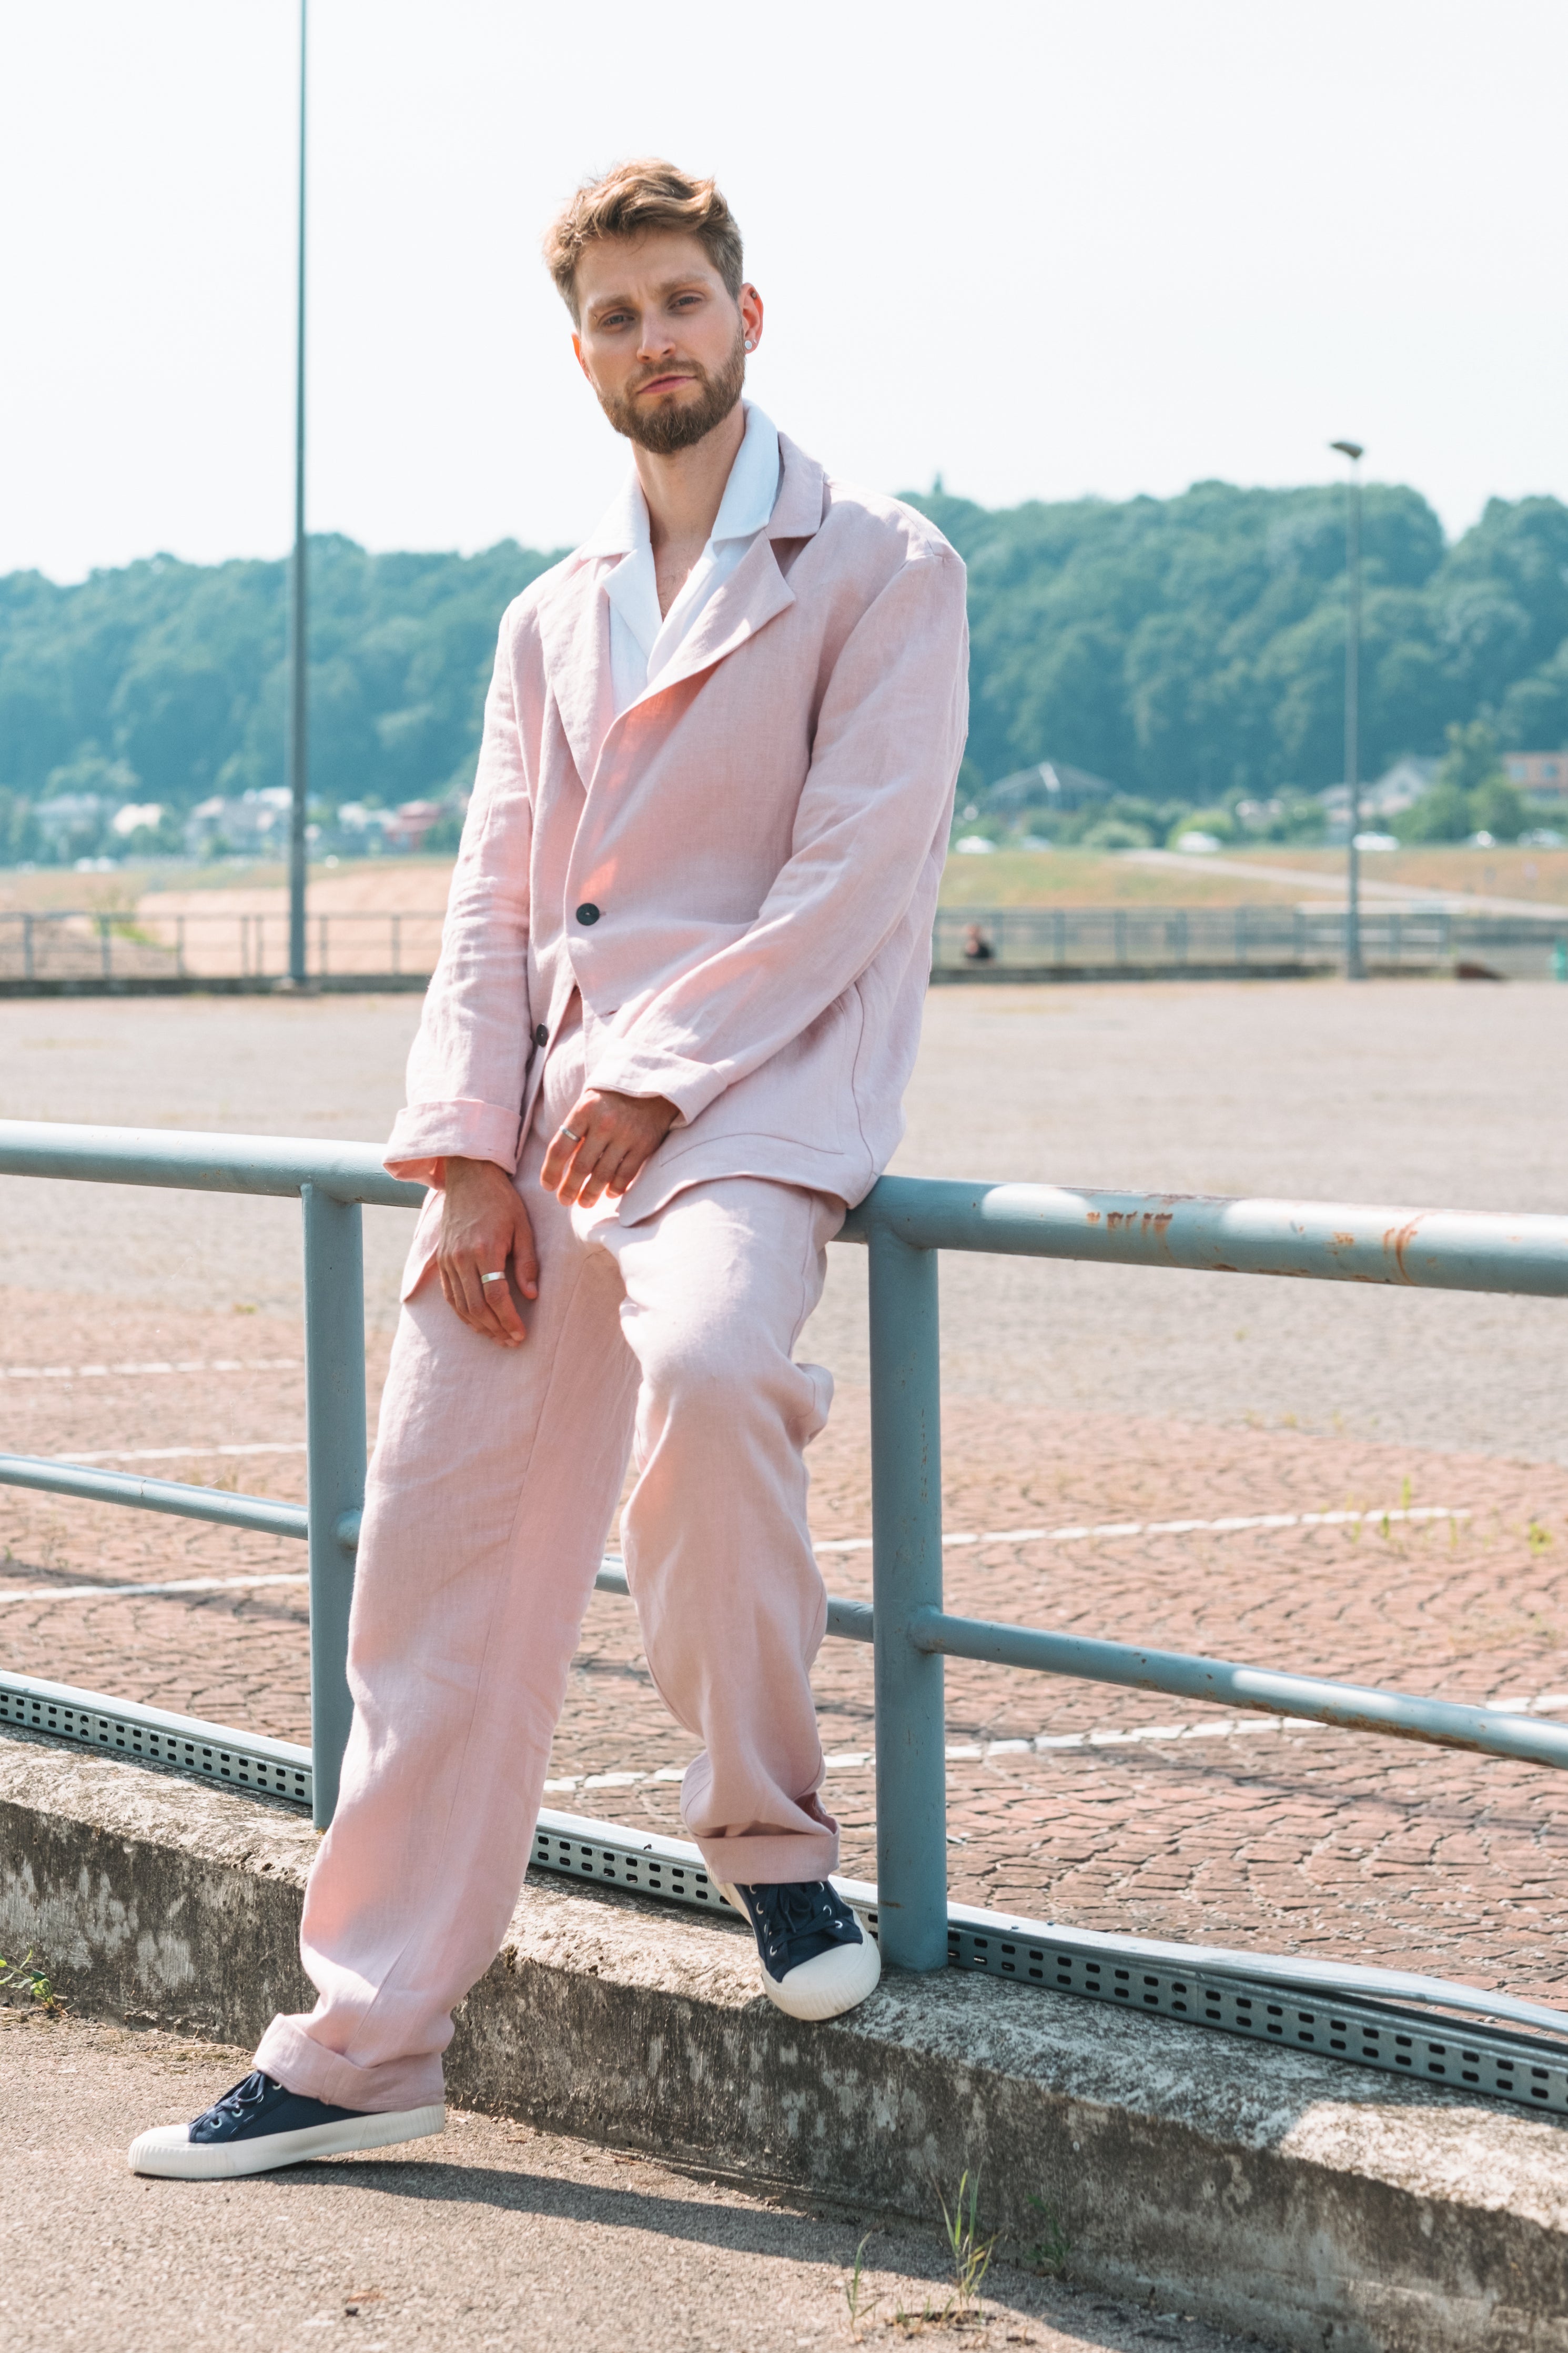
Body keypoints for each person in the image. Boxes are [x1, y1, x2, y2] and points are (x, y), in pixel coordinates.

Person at [130, 158, 968, 2182]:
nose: (652, 340)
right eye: (614, 316)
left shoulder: (883, 567)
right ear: (582, 352)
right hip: (543, 1124)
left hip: (752, 1100)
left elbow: (854, 877)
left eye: (680, 302)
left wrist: (665, 1081)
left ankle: (770, 1848)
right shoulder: (548, 613)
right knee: (430, 1569)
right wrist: (465, 1164)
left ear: (747, 319)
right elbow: (494, 902)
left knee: (703, 1378)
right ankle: (360, 2048)